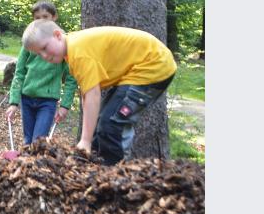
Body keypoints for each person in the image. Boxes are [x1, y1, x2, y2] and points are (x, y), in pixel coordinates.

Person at [22, 20, 177, 165]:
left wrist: (85, 141)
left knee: (112, 125)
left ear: (57, 35)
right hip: (136, 71)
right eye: (39, 54)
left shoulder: (78, 51)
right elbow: (86, 94)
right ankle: (95, 167)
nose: (44, 56)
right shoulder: (73, 52)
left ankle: (115, 177)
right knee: (103, 122)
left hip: (153, 65)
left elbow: (93, 95)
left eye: (44, 48)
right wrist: (87, 139)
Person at [6, 0, 78, 144]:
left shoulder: (62, 45)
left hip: (48, 101)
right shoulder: (29, 45)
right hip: (26, 98)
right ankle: (25, 165)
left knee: (38, 140)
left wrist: (65, 105)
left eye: (45, 17)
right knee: (27, 140)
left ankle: (36, 164)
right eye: (37, 18)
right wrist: (13, 102)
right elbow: (19, 73)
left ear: (54, 17)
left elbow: (71, 78)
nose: (41, 21)